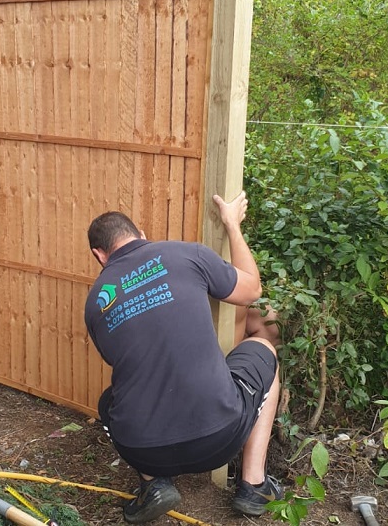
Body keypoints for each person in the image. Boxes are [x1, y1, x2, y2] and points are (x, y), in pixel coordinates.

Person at [84, 191, 282, 524]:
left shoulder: (95, 303)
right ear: (142, 235)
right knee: (265, 349)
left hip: (142, 449)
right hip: (219, 439)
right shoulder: (185, 254)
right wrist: (232, 224)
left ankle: (153, 485)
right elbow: (251, 290)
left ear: (99, 255)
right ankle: (253, 485)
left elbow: (119, 360)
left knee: (109, 403)